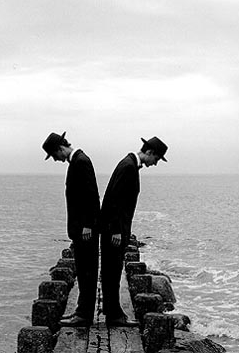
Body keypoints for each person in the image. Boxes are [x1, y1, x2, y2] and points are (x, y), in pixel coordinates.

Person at [99, 136, 168, 326]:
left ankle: (111, 310)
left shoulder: (128, 163)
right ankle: (114, 316)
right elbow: (114, 199)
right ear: (150, 153)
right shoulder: (128, 166)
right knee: (112, 271)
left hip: (115, 228)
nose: (155, 164)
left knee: (111, 270)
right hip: (115, 230)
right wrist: (115, 230)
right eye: (156, 159)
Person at [42, 131, 100, 327]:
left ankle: (84, 315)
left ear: (60, 149)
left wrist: (87, 225)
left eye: (54, 155)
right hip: (81, 229)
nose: (56, 160)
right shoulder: (77, 161)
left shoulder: (81, 161)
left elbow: (92, 196)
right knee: (83, 271)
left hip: (86, 230)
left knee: (87, 272)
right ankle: (81, 311)